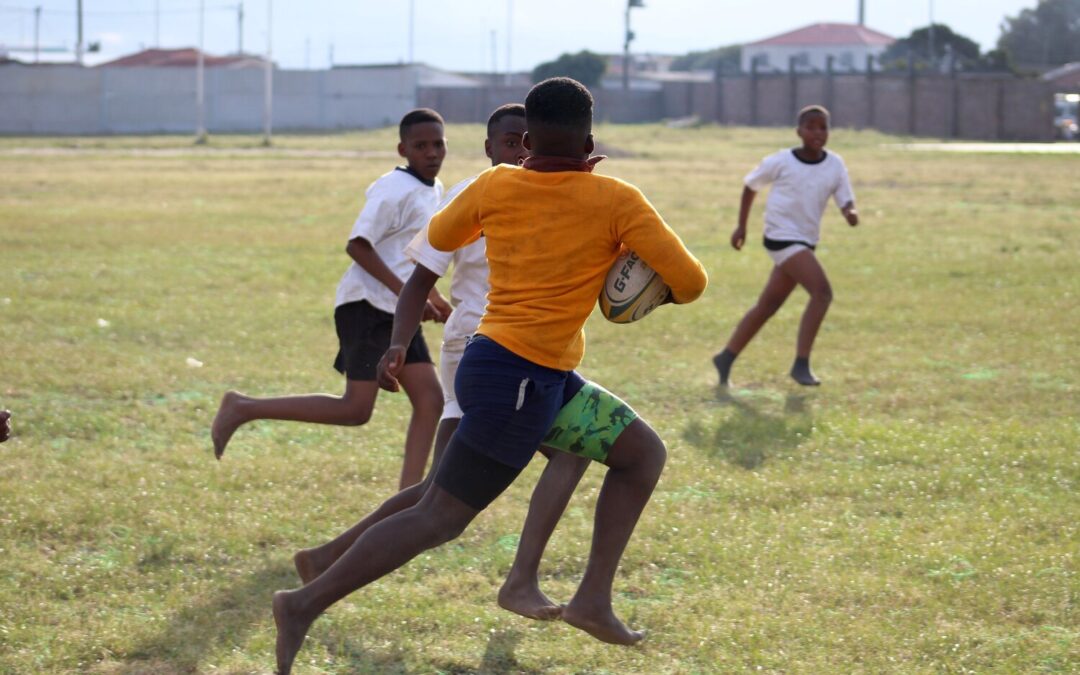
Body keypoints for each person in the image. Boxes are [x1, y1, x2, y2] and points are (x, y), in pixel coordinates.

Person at [271, 77, 707, 674]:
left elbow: (427, 255)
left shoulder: (496, 184)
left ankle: (592, 601)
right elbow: (690, 282)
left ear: (526, 140)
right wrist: (628, 272)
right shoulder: (618, 200)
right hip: (520, 382)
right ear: (591, 141)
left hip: (509, 368)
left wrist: (400, 341)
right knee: (439, 516)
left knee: (641, 453)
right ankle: (302, 603)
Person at [211, 108, 451, 489]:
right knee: (356, 409)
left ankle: (407, 501)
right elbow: (358, 246)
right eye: (421, 146)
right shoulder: (394, 189)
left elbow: (410, 253)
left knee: (430, 401)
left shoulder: (433, 190)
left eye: (438, 144)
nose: (431, 153)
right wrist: (407, 294)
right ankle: (243, 407)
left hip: (396, 312)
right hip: (367, 308)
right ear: (402, 148)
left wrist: (432, 296)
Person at [713, 104, 858, 387]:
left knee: (768, 305)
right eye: (811, 127)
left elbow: (845, 197)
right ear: (799, 131)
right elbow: (751, 186)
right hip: (780, 237)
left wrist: (850, 212)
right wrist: (741, 226)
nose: (818, 132)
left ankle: (726, 357)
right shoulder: (782, 161)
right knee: (822, 292)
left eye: (823, 127)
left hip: (806, 240)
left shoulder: (835, 164)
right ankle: (801, 364)